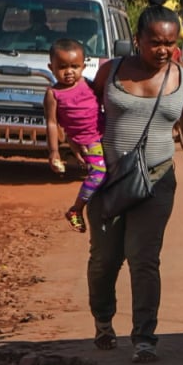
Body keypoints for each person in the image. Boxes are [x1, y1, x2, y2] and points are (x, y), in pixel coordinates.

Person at [88, 3, 183, 363]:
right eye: (155, 41)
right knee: (104, 259)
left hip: (157, 180)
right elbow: (86, 115)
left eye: (170, 43)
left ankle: (144, 337)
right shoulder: (109, 73)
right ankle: (103, 320)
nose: (162, 50)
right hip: (108, 182)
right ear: (137, 39)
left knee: (143, 258)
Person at [44, 39, 105, 232]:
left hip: (105, 134)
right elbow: (52, 123)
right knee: (98, 174)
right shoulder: (53, 94)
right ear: (50, 67)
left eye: (75, 66)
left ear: (84, 66)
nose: (69, 71)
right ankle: (76, 209)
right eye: (62, 67)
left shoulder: (88, 84)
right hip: (86, 141)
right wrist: (54, 152)